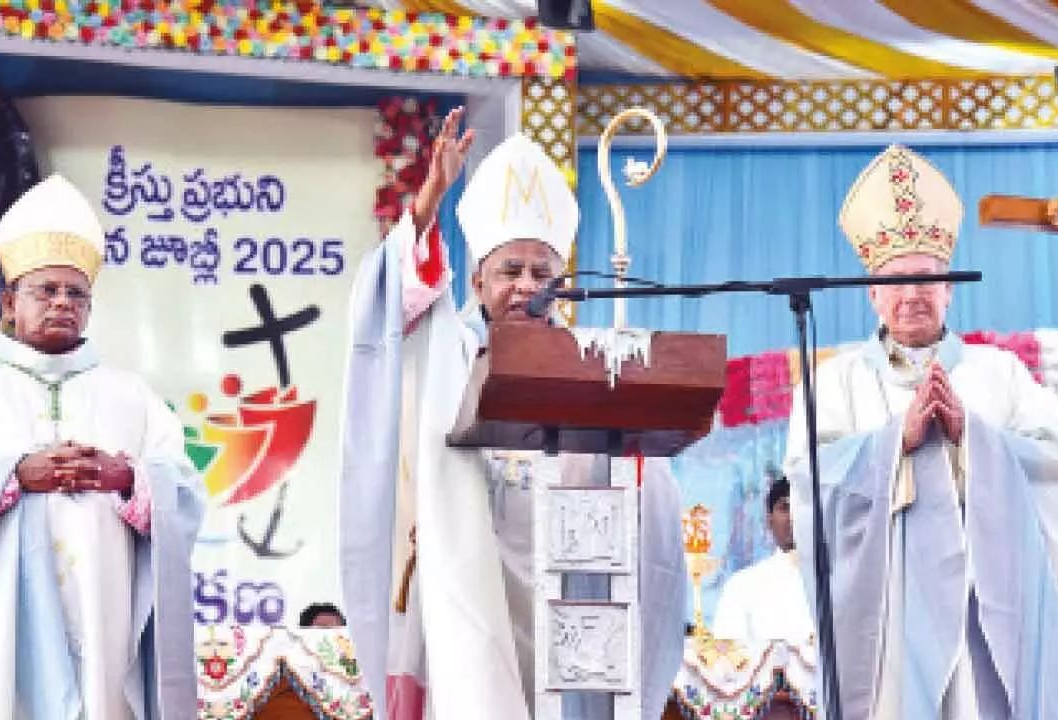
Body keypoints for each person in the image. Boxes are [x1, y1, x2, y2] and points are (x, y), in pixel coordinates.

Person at [338, 108, 687, 720]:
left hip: (564, 582)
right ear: (476, 280)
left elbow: (639, 481)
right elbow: (388, 299)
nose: (527, 286)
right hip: (466, 574)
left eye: (541, 272)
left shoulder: (590, 367)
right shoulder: (445, 348)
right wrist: (429, 199)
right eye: (510, 270)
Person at [0, 174, 205, 720]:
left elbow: (186, 493)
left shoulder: (130, 396)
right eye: (46, 290)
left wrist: (126, 477)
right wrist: (10, 476)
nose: (62, 302)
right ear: (10, 302)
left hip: (103, 631)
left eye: (75, 292)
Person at [784, 144, 1058, 719]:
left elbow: (1053, 459)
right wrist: (894, 442)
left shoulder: (999, 372)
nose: (914, 295)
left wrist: (972, 436)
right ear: (874, 294)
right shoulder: (833, 383)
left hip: (984, 606)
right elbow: (809, 481)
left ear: (951, 288)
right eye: (897, 282)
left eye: (928, 280)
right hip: (886, 604)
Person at [711, 472, 813, 647]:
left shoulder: (837, 582)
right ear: (769, 520)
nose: (793, 517)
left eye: (801, 507)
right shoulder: (742, 586)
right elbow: (727, 661)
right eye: (785, 507)